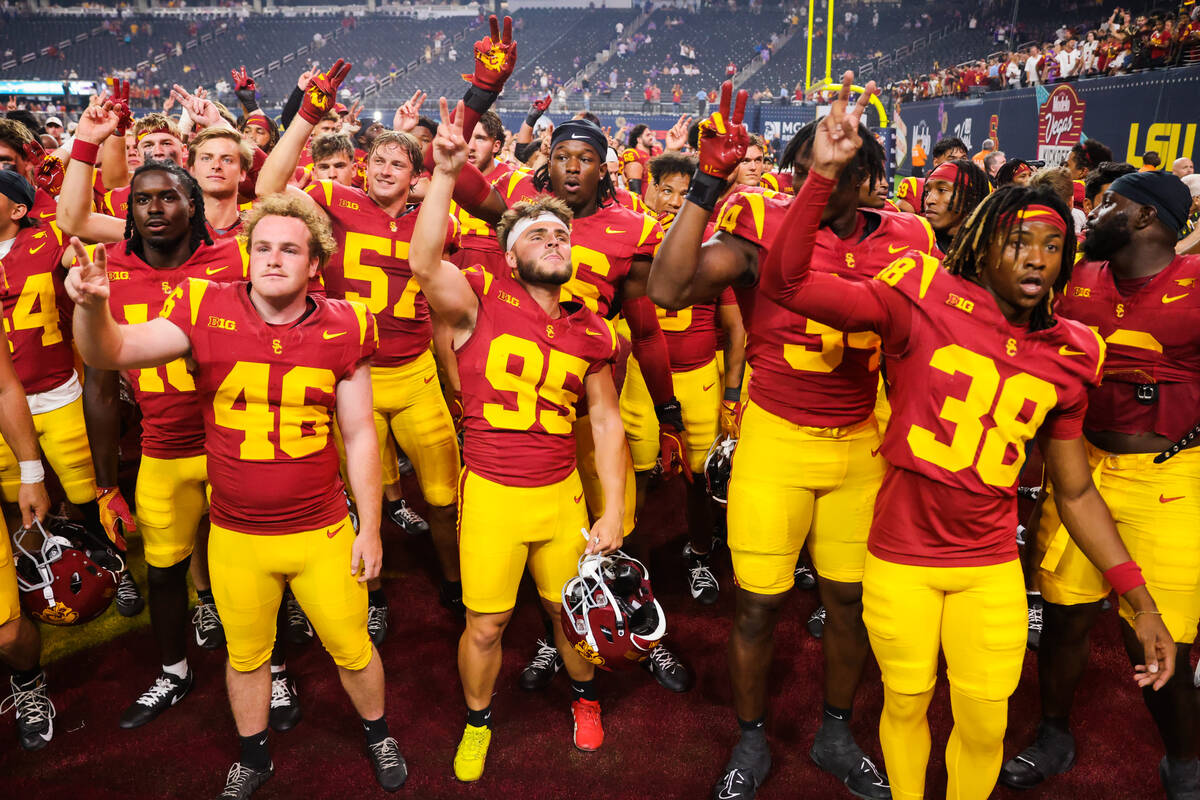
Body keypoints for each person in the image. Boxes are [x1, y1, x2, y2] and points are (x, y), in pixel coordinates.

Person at [758, 72, 1175, 800]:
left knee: (985, 724)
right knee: (908, 704)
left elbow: (1073, 490)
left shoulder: (1074, 348)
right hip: (901, 556)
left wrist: (1138, 598)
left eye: (1051, 245)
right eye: (1018, 241)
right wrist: (821, 174)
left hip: (988, 562)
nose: (1036, 258)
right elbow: (788, 284)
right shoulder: (921, 293)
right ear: (983, 246)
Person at [647, 81, 935, 800]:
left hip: (860, 443)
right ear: (795, 168)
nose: (826, 173)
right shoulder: (759, 218)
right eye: (812, 161)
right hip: (776, 435)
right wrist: (706, 184)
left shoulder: (906, 236)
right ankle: (750, 736)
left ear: (867, 176)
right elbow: (670, 289)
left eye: (841, 164)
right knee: (756, 604)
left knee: (849, 602)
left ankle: (835, 729)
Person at [67, 192, 407, 798]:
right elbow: (108, 351)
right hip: (235, 533)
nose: (274, 259)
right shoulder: (205, 305)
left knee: (353, 650)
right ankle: (254, 755)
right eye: (264, 247)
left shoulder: (347, 323)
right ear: (247, 255)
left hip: (321, 529)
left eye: (290, 249)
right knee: (246, 656)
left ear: (314, 264)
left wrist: (372, 527)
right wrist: (93, 307)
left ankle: (378, 731)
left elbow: (358, 436)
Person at [411, 97, 628, 780]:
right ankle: (478, 721)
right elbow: (423, 262)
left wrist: (615, 507)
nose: (554, 240)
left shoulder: (593, 327)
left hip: (559, 493)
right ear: (509, 253)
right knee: (485, 626)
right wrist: (445, 173)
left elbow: (607, 422)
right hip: (495, 495)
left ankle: (585, 700)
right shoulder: (478, 295)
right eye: (537, 234)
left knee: (573, 616)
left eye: (561, 236)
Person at [1001, 171, 1200, 799]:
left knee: (1159, 632)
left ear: (1145, 219)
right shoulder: (1078, 278)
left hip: (1167, 475)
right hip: (1079, 467)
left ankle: (1185, 764)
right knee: (1063, 614)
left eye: (1112, 203)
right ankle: (1054, 732)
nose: (1096, 212)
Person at [257, 60, 465, 631]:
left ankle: (453, 581)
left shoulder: (438, 219)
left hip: (418, 372)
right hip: (355, 375)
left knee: (443, 499)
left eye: (399, 162)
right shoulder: (336, 201)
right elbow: (268, 188)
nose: (385, 169)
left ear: (417, 174)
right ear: (363, 164)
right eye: (378, 159)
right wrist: (305, 116)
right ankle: (371, 592)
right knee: (359, 500)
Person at [630, 151, 746, 605]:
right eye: (667, 189)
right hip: (640, 380)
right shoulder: (632, 239)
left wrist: (732, 396)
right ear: (649, 190)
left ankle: (699, 553)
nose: (675, 201)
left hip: (698, 377)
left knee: (700, 480)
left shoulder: (714, 249)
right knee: (635, 479)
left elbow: (736, 329)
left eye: (686, 192)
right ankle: (633, 568)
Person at [0, 176, 54, 753]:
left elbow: (3, 385)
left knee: (10, 632)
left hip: (52, 390)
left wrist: (29, 470)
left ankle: (28, 680)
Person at [921, 158, 991, 252]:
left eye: (942, 190)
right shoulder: (912, 240)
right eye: (927, 192)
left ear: (970, 198)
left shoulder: (988, 252)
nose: (929, 200)